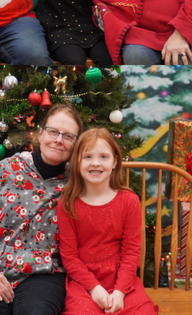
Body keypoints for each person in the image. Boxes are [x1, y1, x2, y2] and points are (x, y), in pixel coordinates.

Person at [0, 104, 83, 315]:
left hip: (45, 274)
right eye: (53, 131)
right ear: (41, 134)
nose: (59, 140)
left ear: (76, 144)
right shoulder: (5, 170)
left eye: (68, 136)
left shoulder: (76, 183)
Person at [56, 128, 156, 315]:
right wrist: (94, 289)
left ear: (114, 162)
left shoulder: (129, 201)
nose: (95, 163)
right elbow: (69, 257)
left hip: (122, 281)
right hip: (84, 283)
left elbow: (131, 252)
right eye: (87, 157)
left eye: (103, 156)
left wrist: (119, 292)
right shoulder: (67, 204)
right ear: (77, 161)